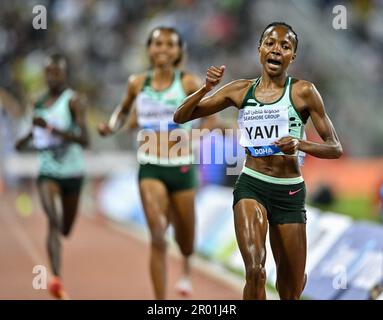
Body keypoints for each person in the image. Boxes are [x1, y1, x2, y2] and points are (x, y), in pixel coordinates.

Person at [174, 22, 343, 300]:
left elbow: (334, 147)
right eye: (270, 44)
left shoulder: (303, 92)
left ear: (293, 56)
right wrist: (205, 88)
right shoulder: (240, 90)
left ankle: (294, 279)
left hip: (289, 191)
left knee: (290, 290)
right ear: (260, 49)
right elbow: (181, 116)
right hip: (252, 185)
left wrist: (299, 143)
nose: (276, 50)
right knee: (255, 270)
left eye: (285, 46)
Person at [97, 26, 215, 299]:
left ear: (178, 51)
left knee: (185, 241)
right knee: (158, 236)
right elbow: (122, 112)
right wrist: (112, 126)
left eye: (170, 45)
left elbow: (212, 115)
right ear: (149, 48)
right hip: (150, 165)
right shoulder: (137, 82)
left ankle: (186, 267)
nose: (163, 49)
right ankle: (160, 303)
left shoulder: (187, 82)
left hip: (183, 167)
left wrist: (197, 137)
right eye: (158, 43)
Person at [15, 53, 89, 299]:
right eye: (48, 72)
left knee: (65, 228)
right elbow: (29, 141)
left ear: (65, 73)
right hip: (48, 171)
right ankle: (57, 279)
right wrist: (25, 139)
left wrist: (52, 129)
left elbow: (85, 139)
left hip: (73, 172)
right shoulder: (38, 103)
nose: (52, 76)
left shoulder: (74, 101)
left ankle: (57, 271)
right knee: (53, 221)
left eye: (57, 72)